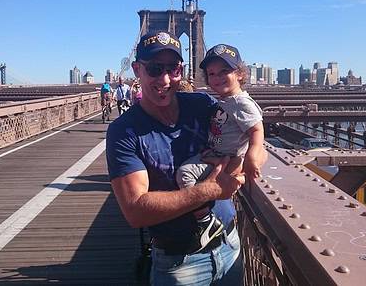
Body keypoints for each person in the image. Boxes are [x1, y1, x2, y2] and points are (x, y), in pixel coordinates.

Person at [106, 31, 267, 285]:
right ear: (137, 70)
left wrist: (249, 159)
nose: (166, 78)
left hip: (230, 245)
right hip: (180, 264)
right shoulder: (124, 132)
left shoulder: (202, 105)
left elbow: (252, 135)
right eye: (155, 69)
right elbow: (135, 211)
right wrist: (210, 190)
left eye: (174, 68)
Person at [175, 44, 264, 253]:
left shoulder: (242, 103)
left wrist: (251, 157)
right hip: (216, 155)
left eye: (225, 71)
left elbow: (257, 131)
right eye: (212, 73)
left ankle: (205, 220)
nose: (217, 77)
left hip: (227, 157)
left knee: (184, 173)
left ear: (240, 74)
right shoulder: (224, 101)